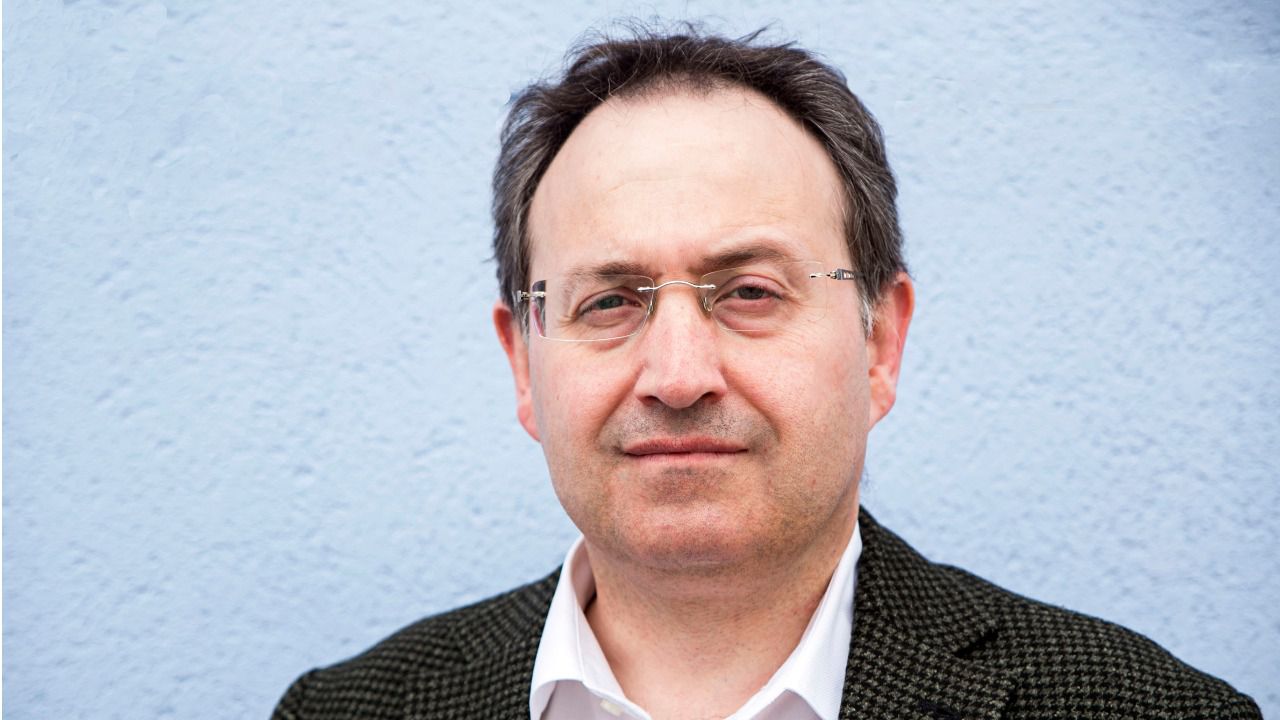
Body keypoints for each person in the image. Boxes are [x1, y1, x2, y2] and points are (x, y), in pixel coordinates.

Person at [272, 27, 1261, 720]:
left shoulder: (1148, 710)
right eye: (607, 301)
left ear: (878, 344)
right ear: (523, 365)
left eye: (748, 291)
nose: (676, 376)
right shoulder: (346, 711)